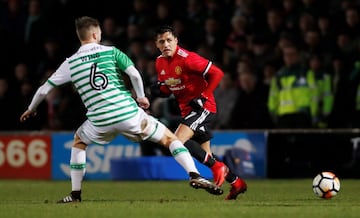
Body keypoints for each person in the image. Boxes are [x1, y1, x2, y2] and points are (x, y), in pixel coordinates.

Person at [19, 16, 223, 203]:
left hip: (98, 120)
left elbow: (45, 89)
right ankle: (194, 175)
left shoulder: (70, 63)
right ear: (95, 35)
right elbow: (134, 74)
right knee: (170, 139)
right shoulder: (112, 51)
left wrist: (31, 108)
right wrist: (142, 97)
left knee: (79, 141)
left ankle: (75, 194)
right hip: (127, 112)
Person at [152, 25, 247, 200]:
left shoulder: (188, 58)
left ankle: (218, 168)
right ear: (157, 44)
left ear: (176, 41)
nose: (165, 44)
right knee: (207, 155)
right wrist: (160, 90)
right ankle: (236, 183)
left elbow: (217, 73)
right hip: (187, 111)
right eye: (161, 41)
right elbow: (169, 87)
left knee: (177, 140)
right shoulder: (160, 62)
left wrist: (203, 96)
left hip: (204, 108)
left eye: (169, 40)